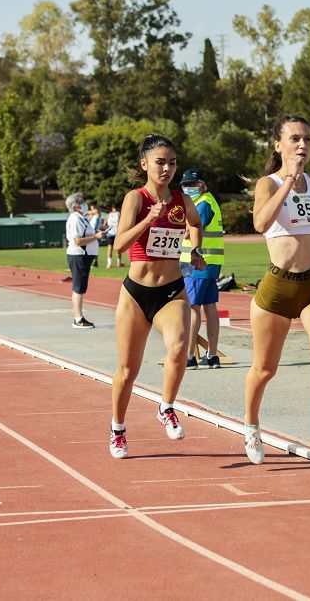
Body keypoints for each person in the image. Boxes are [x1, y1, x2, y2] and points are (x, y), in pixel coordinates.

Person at [243, 114, 310, 467]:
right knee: (265, 368)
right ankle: (252, 425)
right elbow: (260, 223)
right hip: (278, 288)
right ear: (279, 145)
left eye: (308, 139)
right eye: (295, 139)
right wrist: (287, 183)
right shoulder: (267, 184)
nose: (303, 145)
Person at [108, 135, 207, 459]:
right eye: (160, 162)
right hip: (136, 294)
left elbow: (195, 223)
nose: (167, 168)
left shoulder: (181, 199)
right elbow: (120, 244)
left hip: (171, 290)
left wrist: (195, 250)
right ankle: (118, 429)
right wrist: (148, 220)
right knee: (127, 370)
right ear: (145, 165)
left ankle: (166, 406)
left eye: (172, 162)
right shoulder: (136, 199)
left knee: (180, 346)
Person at [178, 169, 225, 370]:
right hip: (208, 262)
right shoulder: (205, 201)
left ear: (202, 185)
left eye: (193, 185)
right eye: (185, 185)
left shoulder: (203, 204)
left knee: (193, 308)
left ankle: (189, 356)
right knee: (209, 306)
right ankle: (212, 355)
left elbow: (190, 232)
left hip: (198, 262)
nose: (189, 189)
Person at [65, 192, 104, 329]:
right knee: (78, 287)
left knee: (80, 287)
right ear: (76, 206)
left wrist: (97, 233)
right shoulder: (75, 219)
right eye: (82, 202)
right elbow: (77, 240)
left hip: (83, 255)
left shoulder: (81, 218)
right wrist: (96, 237)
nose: (85, 204)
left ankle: (78, 317)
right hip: (79, 255)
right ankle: (78, 319)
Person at [105, 204, 123, 269]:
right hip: (116, 233)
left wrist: (106, 229)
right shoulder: (118, 214)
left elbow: (104, 224)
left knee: (110, 248)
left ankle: (109, 264)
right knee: (117, 249)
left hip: (110, 233)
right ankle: (118, 263)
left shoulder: (108, 215)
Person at [86, 200, 101, 267]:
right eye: (92, 206)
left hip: (95, 232)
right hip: (90, 232)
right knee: (89, 248)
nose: (93, 207)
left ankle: (95, 262)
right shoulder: (91, 215)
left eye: (94, 206)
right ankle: (92, 261)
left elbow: (94, 211)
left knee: (94, 248)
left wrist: (85, 212)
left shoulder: (97, 212)